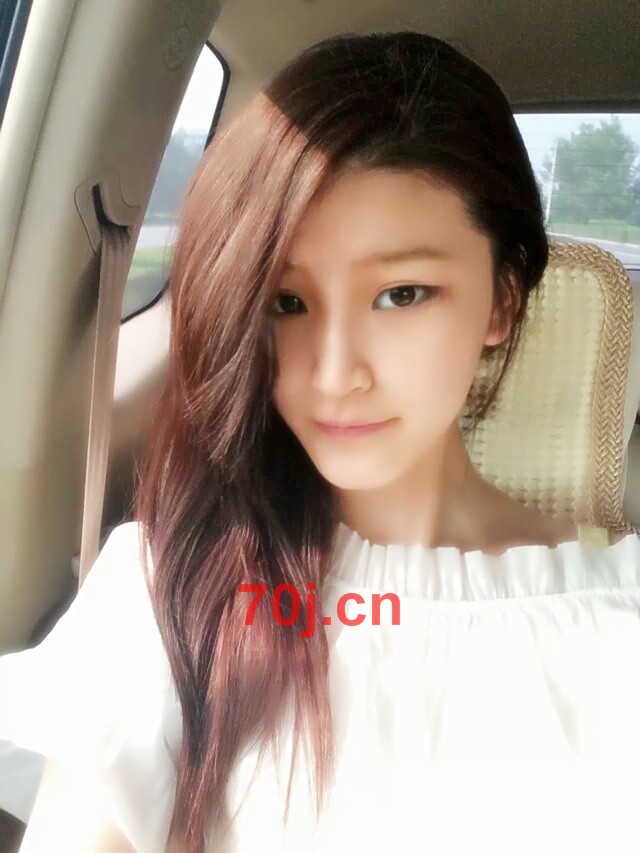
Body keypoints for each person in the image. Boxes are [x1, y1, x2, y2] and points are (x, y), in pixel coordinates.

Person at [1, 30, 640, 853]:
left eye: (402, 293)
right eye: (286, 303)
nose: (334, 374)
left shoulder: (618, 613)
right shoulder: (171, 591)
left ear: (502, 301)